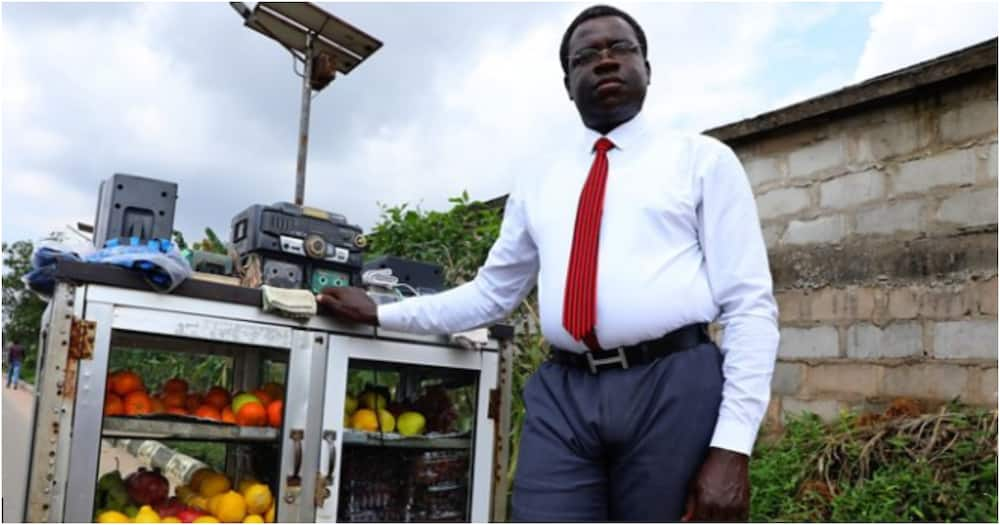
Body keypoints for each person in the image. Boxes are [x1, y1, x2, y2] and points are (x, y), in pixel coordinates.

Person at [317, 4, 779, 521]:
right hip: (566, 394)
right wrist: (381, 312)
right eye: (586, 56)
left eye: (621, 49)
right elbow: (492, 293)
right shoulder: (541, 178)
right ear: (567, 82)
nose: (604, 61)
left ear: (647, 68)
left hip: (670, 385)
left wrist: (733, 447)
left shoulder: (702, 162)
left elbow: (750, 308)